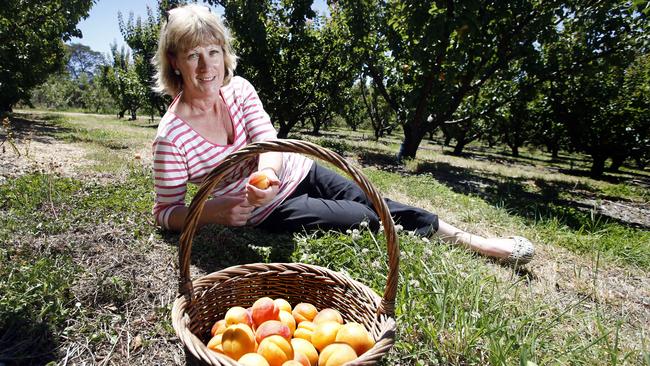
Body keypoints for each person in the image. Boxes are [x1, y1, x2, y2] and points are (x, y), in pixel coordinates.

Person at [151, 4, 534, 265]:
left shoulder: (240, 89)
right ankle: (419, 234)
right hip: (268, 209)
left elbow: (266, 137)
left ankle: (474, 241)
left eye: (213, 53)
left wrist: (265, 175)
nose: (206, 67)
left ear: (224, 54)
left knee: (376, 199)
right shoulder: (172, 138)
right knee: (363, 217)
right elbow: (165, 214)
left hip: (298, 171)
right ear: (175, 62)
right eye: (192, 55)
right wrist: (214, 211)